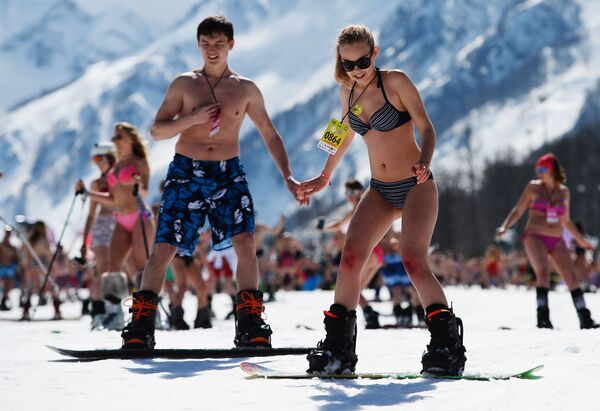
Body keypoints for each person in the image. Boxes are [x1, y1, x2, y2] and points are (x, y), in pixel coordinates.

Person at [119, 15, 302, 350]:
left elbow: (269, 134)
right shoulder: (184, 84)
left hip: (228, 172)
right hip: (186, 171)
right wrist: (192, 118)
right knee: (164, 248)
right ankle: (141, 326)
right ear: (198, 45)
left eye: (218, 44)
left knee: (245, 243)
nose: (212, 51)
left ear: (231, 45)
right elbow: (157, 130)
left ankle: (249, 323)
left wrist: (287, 175)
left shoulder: (245, 89)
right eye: (206, 44)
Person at [299, 25, 466, 375]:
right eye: (348, 64)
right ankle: (338, 349)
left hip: (416, 183)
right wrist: (323, 177)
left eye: (362, 60)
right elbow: (340, 137)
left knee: (413, 262)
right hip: (379, 190)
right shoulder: (347, 94)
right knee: (350, 259)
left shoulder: (396, 82)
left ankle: (447, 344)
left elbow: (428, 128)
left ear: (375, 53)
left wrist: (426, 161)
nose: (356, 69)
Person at [496, 153, 598, 329]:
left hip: (556, 239)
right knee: (542, 272)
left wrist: (581, 241)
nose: (540, 172)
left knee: (571, 277)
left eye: (543, 169)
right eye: (538, 169)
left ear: (553, 171)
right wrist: (505, 226)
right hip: (534, 236)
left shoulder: (564, 192)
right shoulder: (533, 188)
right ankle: (543, 318)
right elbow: (518, 210)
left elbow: (566, 221)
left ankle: (585, 318)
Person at [75, 123, 154, 330]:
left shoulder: (139, 162)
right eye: (114, 137)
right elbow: (111, 198)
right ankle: (114, 315)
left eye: (119, 137)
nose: (115, 140)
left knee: (140, 267)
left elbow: (145, 190)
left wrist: (137, 185)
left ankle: (148, 315)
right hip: (121, 218)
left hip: (139, 216)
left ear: (130, 139)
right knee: (112, 268)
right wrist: (87, 193)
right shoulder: (118, 165)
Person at [321, 179, 384, 329]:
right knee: (357, 289)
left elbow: (339, 224)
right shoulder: (363, 207)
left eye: (352, 192)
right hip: (376, 253)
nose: (348, 195)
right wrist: (324, 227)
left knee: (351, 287)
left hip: (369, 251)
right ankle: (370, 314)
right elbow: (338, 225)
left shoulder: (361, 206)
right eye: (347, 192)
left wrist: (324, 227)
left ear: (359, 192)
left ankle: (367, 314)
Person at [79, 143, 117, 327]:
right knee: (103, 271)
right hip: (103, 226)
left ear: (110, 157)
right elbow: (90, 214)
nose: (97, 164)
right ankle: (99, 313)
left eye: (99, 159)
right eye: (94, 160)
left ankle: (112, 311)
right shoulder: (96, 183)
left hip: (120, 226)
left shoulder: (121, 179)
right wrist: (84, 241)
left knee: (118, 271)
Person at [0, 227, 19, 311]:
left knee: (9, 283)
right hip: (2, 267)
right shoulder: (2, 245)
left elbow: (16, 258)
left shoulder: (12, 247)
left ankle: (4, 300)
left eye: (9, 233)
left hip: (9, 268)